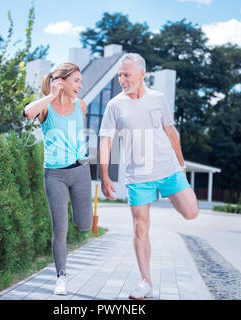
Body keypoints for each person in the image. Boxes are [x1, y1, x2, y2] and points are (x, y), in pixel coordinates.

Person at [99, 53, 199, 300]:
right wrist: (104, 175)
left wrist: (182, 164)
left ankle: (172, 194)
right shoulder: (114, 105)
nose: (123, 79)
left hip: (168, 169)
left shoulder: (158, 99)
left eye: (127, 74)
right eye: (120, 75)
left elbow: (171, 132)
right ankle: (146, 282)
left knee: (191, 212)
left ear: (141, 73)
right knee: (140, 226)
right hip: (137, 176)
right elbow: (105, 141)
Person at [24, 63, 93, 295]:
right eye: (76, 81)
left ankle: (78, 212)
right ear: (61, 81)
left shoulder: (80, 106)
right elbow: (27, 112)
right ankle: (61, 276)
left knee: (84, 224)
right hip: (55, 175)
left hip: (81, 171)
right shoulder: (46, 108)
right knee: (60, 228)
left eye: (80, 81)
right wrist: (51, 95)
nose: (80, 85)